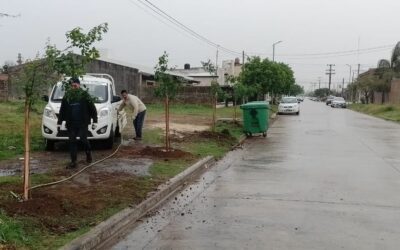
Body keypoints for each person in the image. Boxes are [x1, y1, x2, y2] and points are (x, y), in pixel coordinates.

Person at [57, 77, 98, 169]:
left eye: (75, 85)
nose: (73, 87)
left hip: (82, 122)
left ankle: (88, 154)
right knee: (72, 142)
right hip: (71, 123)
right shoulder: (67, 96)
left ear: (79, 85)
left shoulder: (84, 95)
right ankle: (73, 161)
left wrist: (95, 121)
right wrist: (59, 122)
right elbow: (62, 109)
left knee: (84, 140)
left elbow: (92, 108)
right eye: (71, 86)